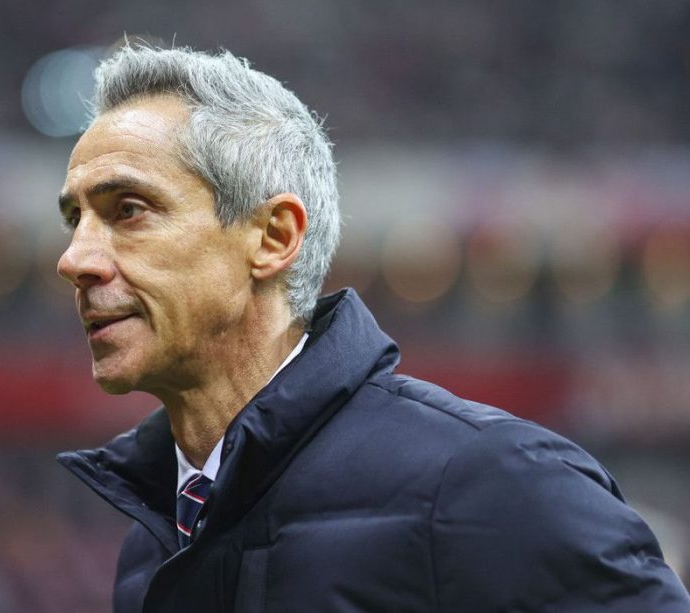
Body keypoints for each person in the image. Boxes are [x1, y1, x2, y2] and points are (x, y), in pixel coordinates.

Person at [55, 44, 690, 612]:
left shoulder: (494, 483)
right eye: (74, 219)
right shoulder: (152, 541)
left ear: (273, 238)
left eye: (128, 210)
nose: (74, 259)